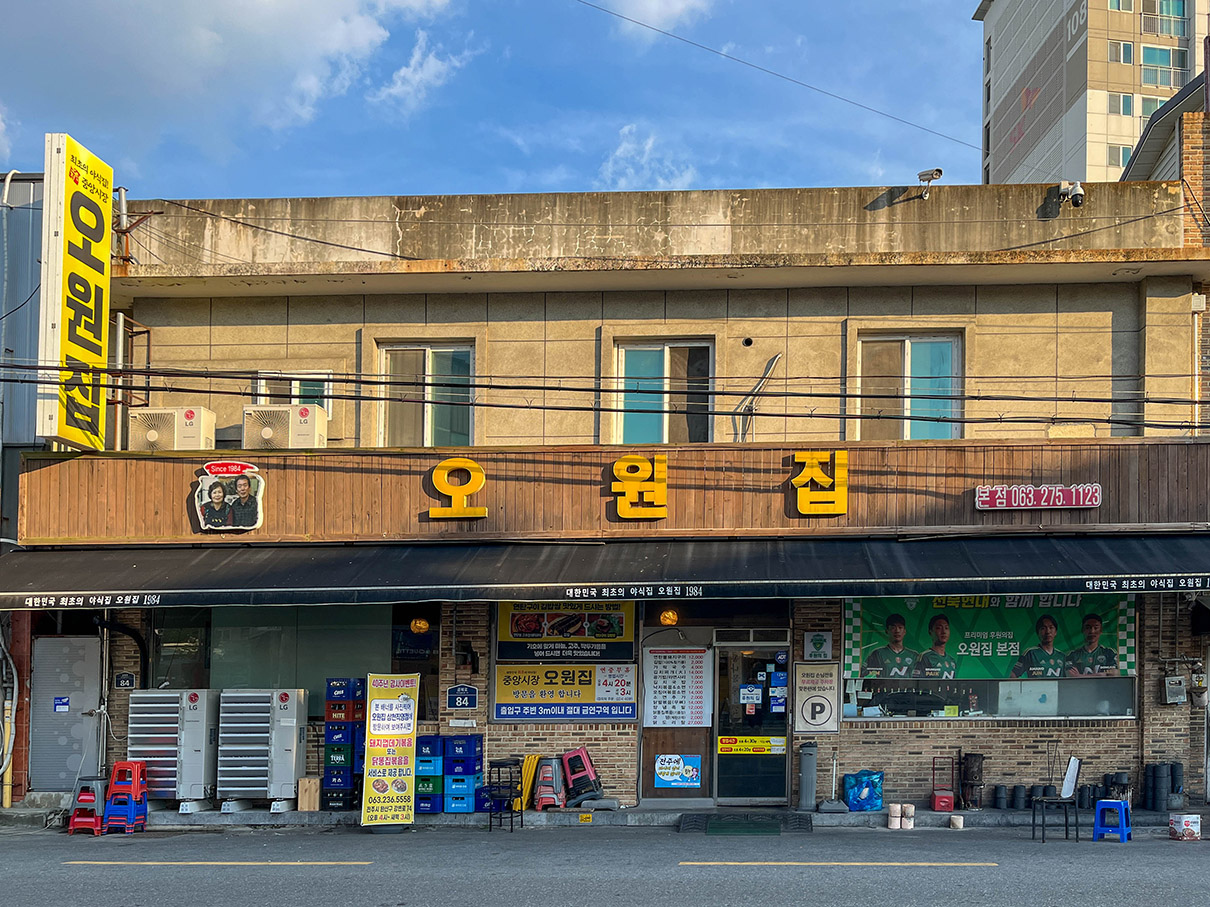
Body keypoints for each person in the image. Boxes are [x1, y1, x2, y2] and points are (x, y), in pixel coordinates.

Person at [863, 613, 919, 678]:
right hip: (884, 688)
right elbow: (862, 673)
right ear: (887, 631)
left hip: (908, 688)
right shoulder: (878, 654)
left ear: (904, 631)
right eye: (893, 627)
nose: (897, 631)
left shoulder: (914, 655)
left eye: (900, 627)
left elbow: (920, 679)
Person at [914, 614, 957, 680]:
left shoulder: (952, 661)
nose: (943, 632)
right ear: (930, 632)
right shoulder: (925, 657)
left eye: (946, 628)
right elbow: (916, 684)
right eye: (939, 628)